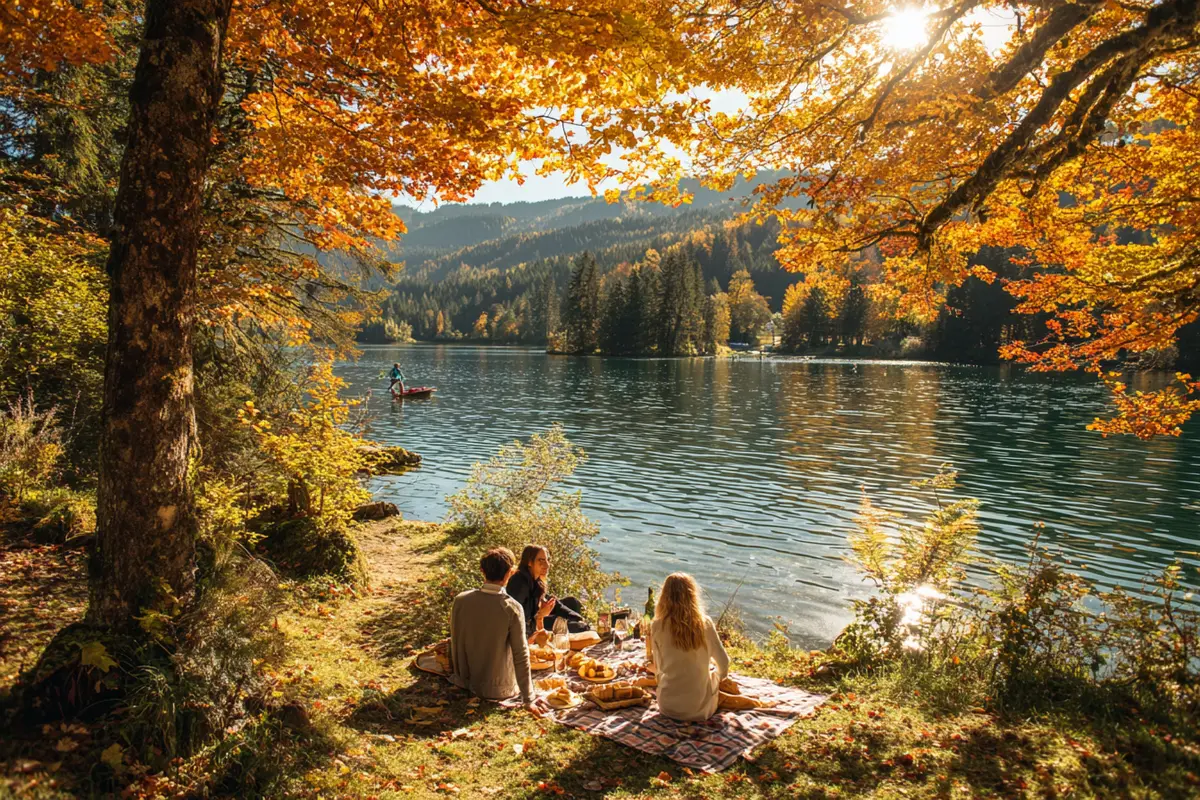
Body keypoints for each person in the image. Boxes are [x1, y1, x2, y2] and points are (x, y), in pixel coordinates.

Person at [651, 572, 768, 721]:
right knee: (711, 674)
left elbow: (660, 668)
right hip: (699, 711)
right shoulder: (704, 624)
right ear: (692, 595)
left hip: (668, 707)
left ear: (664, 596)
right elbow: (724, 663)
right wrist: (717, 677)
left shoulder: (656, 625)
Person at [448, 547, 548, 717]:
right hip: (499, 689)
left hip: (465, 681)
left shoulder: (461, 600)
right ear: (510, 573)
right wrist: (528, 699)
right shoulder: (511, 607)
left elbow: (456, 639)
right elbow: (520, 654)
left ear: (482, 571)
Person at [506, 545, 590, 642]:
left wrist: (577, 617)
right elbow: (517, 618)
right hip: (529, 628)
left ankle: (582, 624)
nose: (547, 565)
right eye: (541, 560)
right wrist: (539, 615)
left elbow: (551, 602)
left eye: (547, 560)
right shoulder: (520, 583)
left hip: (538, 618)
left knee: (572, 603)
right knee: (580, 627)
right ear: (529, 562)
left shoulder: (536, 581)